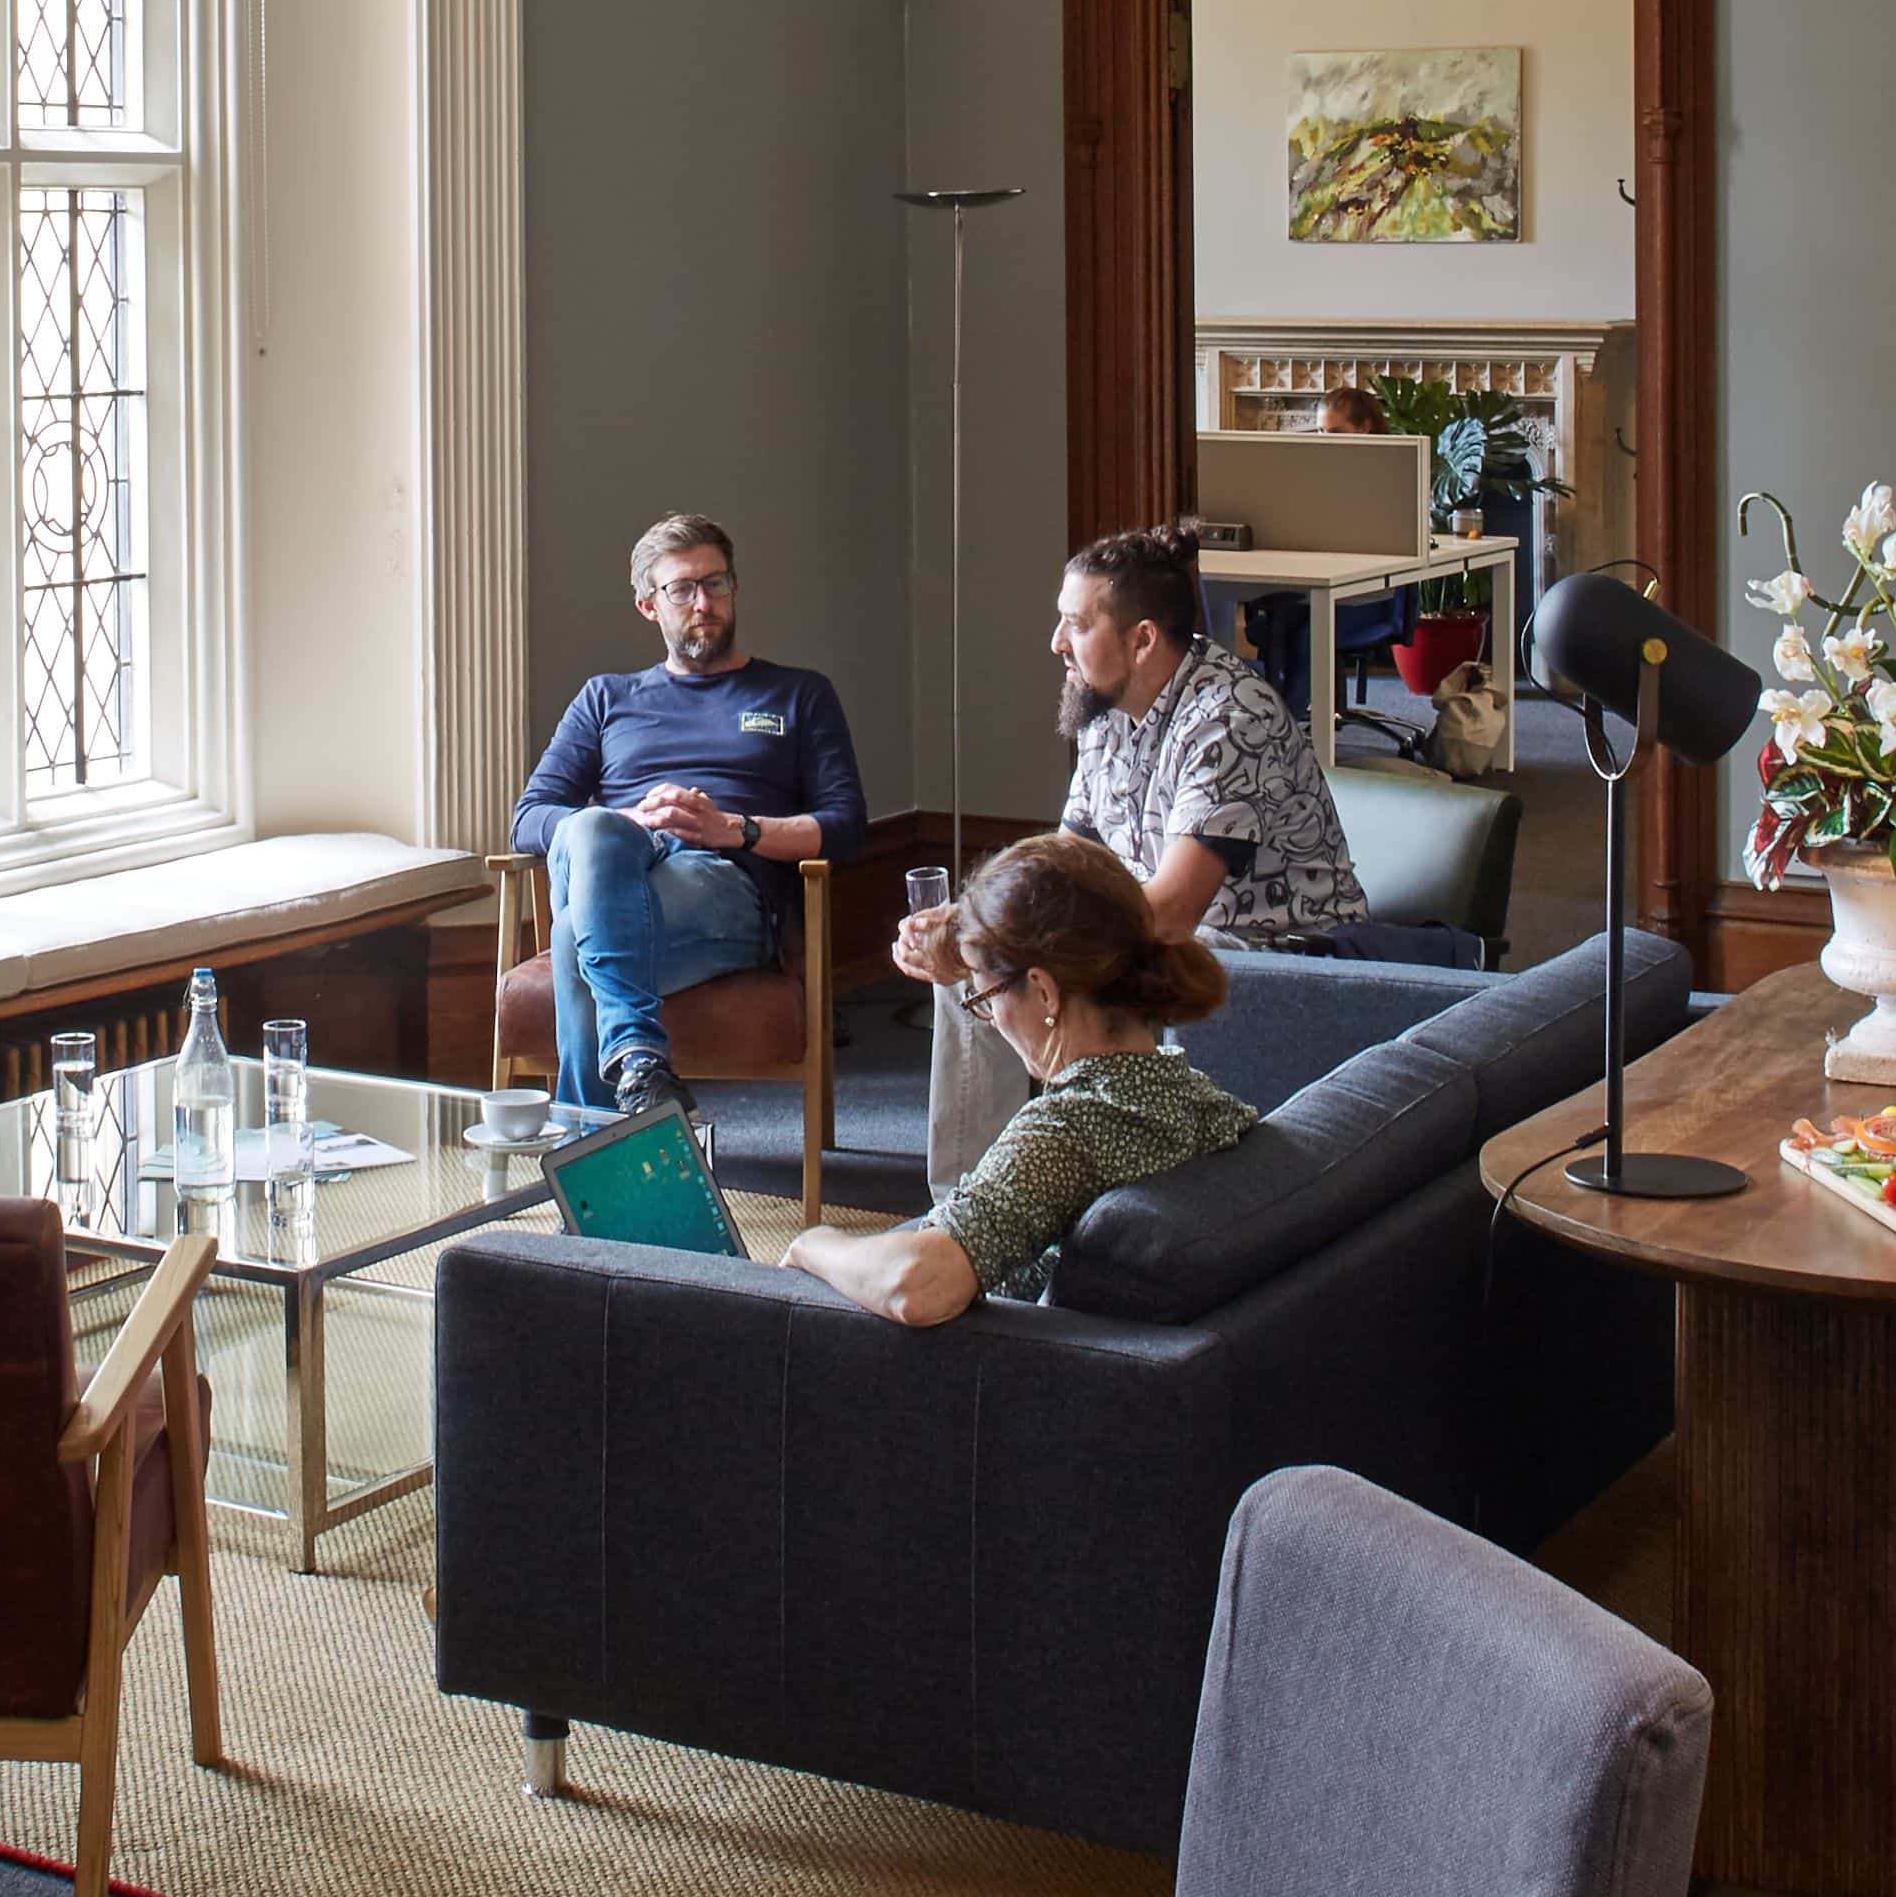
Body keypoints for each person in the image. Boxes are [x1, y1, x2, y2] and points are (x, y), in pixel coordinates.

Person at [921, 527, 1369, 1188]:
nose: (1056, 644)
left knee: (1038, 964)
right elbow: (1065, 858)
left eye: (1076, 624)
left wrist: (1008, 929)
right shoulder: (1106, 708)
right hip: (1163, 928)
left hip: (1273, 949)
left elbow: (1170, 914)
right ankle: (967, 1204)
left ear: (1142, 639)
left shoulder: (1229, 717)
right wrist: (970, 919)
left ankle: (1079, 1192)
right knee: (978, 963)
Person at [789, 837, 1255, 1325]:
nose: (991, 1016)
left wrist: (812, 1243)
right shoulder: (1200, 1098)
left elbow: (916, 1285)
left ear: (1043, 992)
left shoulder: (1069, 1130)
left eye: (985, 996)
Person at [509, 514, 868, 1118]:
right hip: (617, 872)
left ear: (734, 589)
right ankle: (640, 1067)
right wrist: (633, 821)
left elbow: (847, 826)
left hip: (723, 888)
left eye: (716, 584)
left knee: (574, 939)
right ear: (649, 605)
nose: (703, 603)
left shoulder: (798, 695)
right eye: (682, 589)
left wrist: (735, 828)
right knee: (594, 827)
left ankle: (595, 1156)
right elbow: (530, 818)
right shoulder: (606, 698)